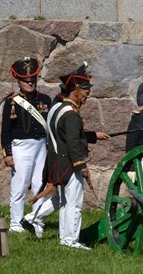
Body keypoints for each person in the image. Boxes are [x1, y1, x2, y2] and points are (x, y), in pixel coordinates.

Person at [23, 62, 109, 249]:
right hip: (69, 163)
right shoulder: (71, 115)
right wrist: (81, 166)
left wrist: (93, 136)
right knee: (74, 204)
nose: (88, 94)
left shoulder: (56, 108)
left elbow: (65, 135)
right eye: (85, 89)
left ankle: (65, 239)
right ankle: (71, 240)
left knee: (63, 202)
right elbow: (72, 142)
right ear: (75, 90)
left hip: (57, 161)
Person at [1, 57, 52, 233]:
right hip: (21, 147)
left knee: (40, 184)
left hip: (41, 146)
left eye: (33, 80)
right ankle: (16, 223)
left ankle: (36, 220)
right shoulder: (12, 102)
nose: (31, 83)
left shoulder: (45, 99)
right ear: (19, 81)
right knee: (20, 184)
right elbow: (5, 130)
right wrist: (7, 153)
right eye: (27, 81)